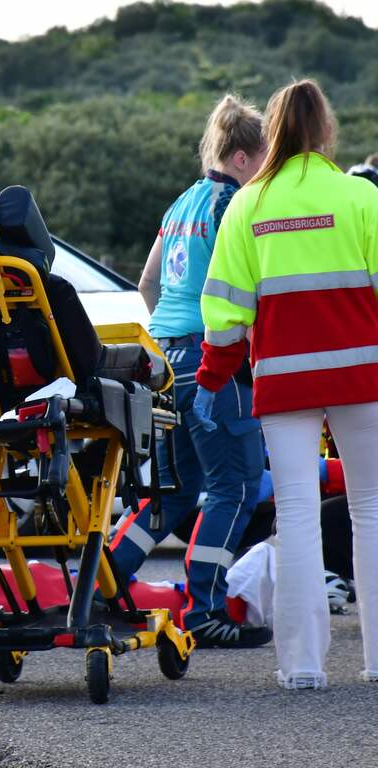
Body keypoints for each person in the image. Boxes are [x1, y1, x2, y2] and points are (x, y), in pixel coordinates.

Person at [194, 79, 378, 689]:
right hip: (361, 374)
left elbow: (225, 310)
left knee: (297, 513)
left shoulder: (248, 204)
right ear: (326, 130)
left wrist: (211, 377)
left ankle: (302, 666)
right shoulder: (360, 197)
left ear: (271, 130)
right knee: (372, 510)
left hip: (283, 379)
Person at [115, 94, 271, 648]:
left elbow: (147, 283)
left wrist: (170, 339)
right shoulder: (235, 204)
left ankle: (106, 585)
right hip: (214, 361)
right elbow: (250, 287)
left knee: (173, 492)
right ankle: (204, 609)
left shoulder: (182, 202)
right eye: (265, 159)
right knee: (237, 486)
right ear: (243, 157)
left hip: (165, 360)